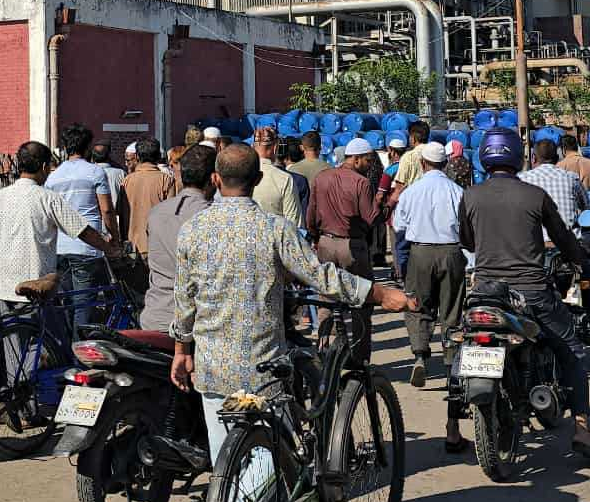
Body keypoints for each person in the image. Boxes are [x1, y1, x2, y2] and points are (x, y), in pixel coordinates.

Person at [171, 145, 413, 467]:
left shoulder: (192, 230)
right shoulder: (274, 229)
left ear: (215, 179)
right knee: (270, 461)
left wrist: (181, 351)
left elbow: (184, 299)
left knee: (225, 465)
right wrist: (379, 293)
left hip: (212, 367)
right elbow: (321, 277)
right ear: (257, 179)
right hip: (263, 367)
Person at [459, 128, 590, 463]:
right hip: (533, 292)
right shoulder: (534, 195)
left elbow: (467, 241)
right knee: (571, 349)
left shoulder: (470, 195)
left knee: (465, 342)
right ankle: (581, 429)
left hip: (486, 293)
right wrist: (580, 261)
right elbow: (563, 238)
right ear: (517, 156)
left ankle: (458, 416)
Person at [390, 140, 469, 452]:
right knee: (452, 309)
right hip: (451, 253)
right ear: (444, 164)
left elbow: (399, 226)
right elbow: (467, 228)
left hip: (421, 252)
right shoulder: (457, 191)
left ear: (422, 163)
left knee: (418, 306)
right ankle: (450, 355)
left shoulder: (411, 191)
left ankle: (421, 353)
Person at [0, 141, 120, 315]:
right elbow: (82, 231)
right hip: (37, 286)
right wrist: (109, 248)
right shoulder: (47, 198)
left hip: (6, 286)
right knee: (54, 338)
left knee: (13, 339)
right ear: (43, 166)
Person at [521, 140, 590, 368]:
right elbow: (587, 207)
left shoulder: (523, 180)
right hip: (571, 251)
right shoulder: (570, 179)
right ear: (557, 158)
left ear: (534, 159)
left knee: (528, 299)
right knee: (589, 296)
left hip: (535, 254)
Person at [45, 125, 117, 326]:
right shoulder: (95, 173)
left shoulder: (53, 177)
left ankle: (67, 349)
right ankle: (80, 352)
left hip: (60, 246)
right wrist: (114, 239)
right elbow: (107, 210)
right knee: (83, 305)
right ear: (87, 148)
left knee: (66, 304)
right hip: (87, 247)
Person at [140, 144, 214, 331]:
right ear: (214, 178)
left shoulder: (157, 212)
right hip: (195, 324)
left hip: (154, 317)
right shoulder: (212, 216)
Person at [306, 138, 381, 277]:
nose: (370, 165)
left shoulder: (321, 177)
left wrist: (316, 238)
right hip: (352, 246)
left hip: (325, 244)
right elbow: (371, 219)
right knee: (361, 293)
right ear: (357, 159)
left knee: (328, 294)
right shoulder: (362, 182)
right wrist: (388, 204)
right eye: (368, 161)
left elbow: (311, 214)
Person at [115, 138, 175, 260]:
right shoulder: (166, 180)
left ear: (137, 157)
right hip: (157, 246)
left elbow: (120, 214)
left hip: (132, 247)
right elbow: (171, 216)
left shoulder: (127, 181)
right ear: (158, 156)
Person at [385, 122, 433, 274]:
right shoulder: (435, 153)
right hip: (432, 207)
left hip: (411, 209)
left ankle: (407, 279)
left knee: (404, 246)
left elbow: (399, 187)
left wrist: (388, 209)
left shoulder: (409, 157)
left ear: (412, 138)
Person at [248, 126, 301, 228]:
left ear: (253, 146)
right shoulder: (284, 179)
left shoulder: (240, 173)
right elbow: (293, 222)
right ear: (275, 147)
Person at [90, 143, 127, 235]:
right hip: (116, 221)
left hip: (95, 222)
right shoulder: (121, 173)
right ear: (109, 156)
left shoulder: (88, 174)